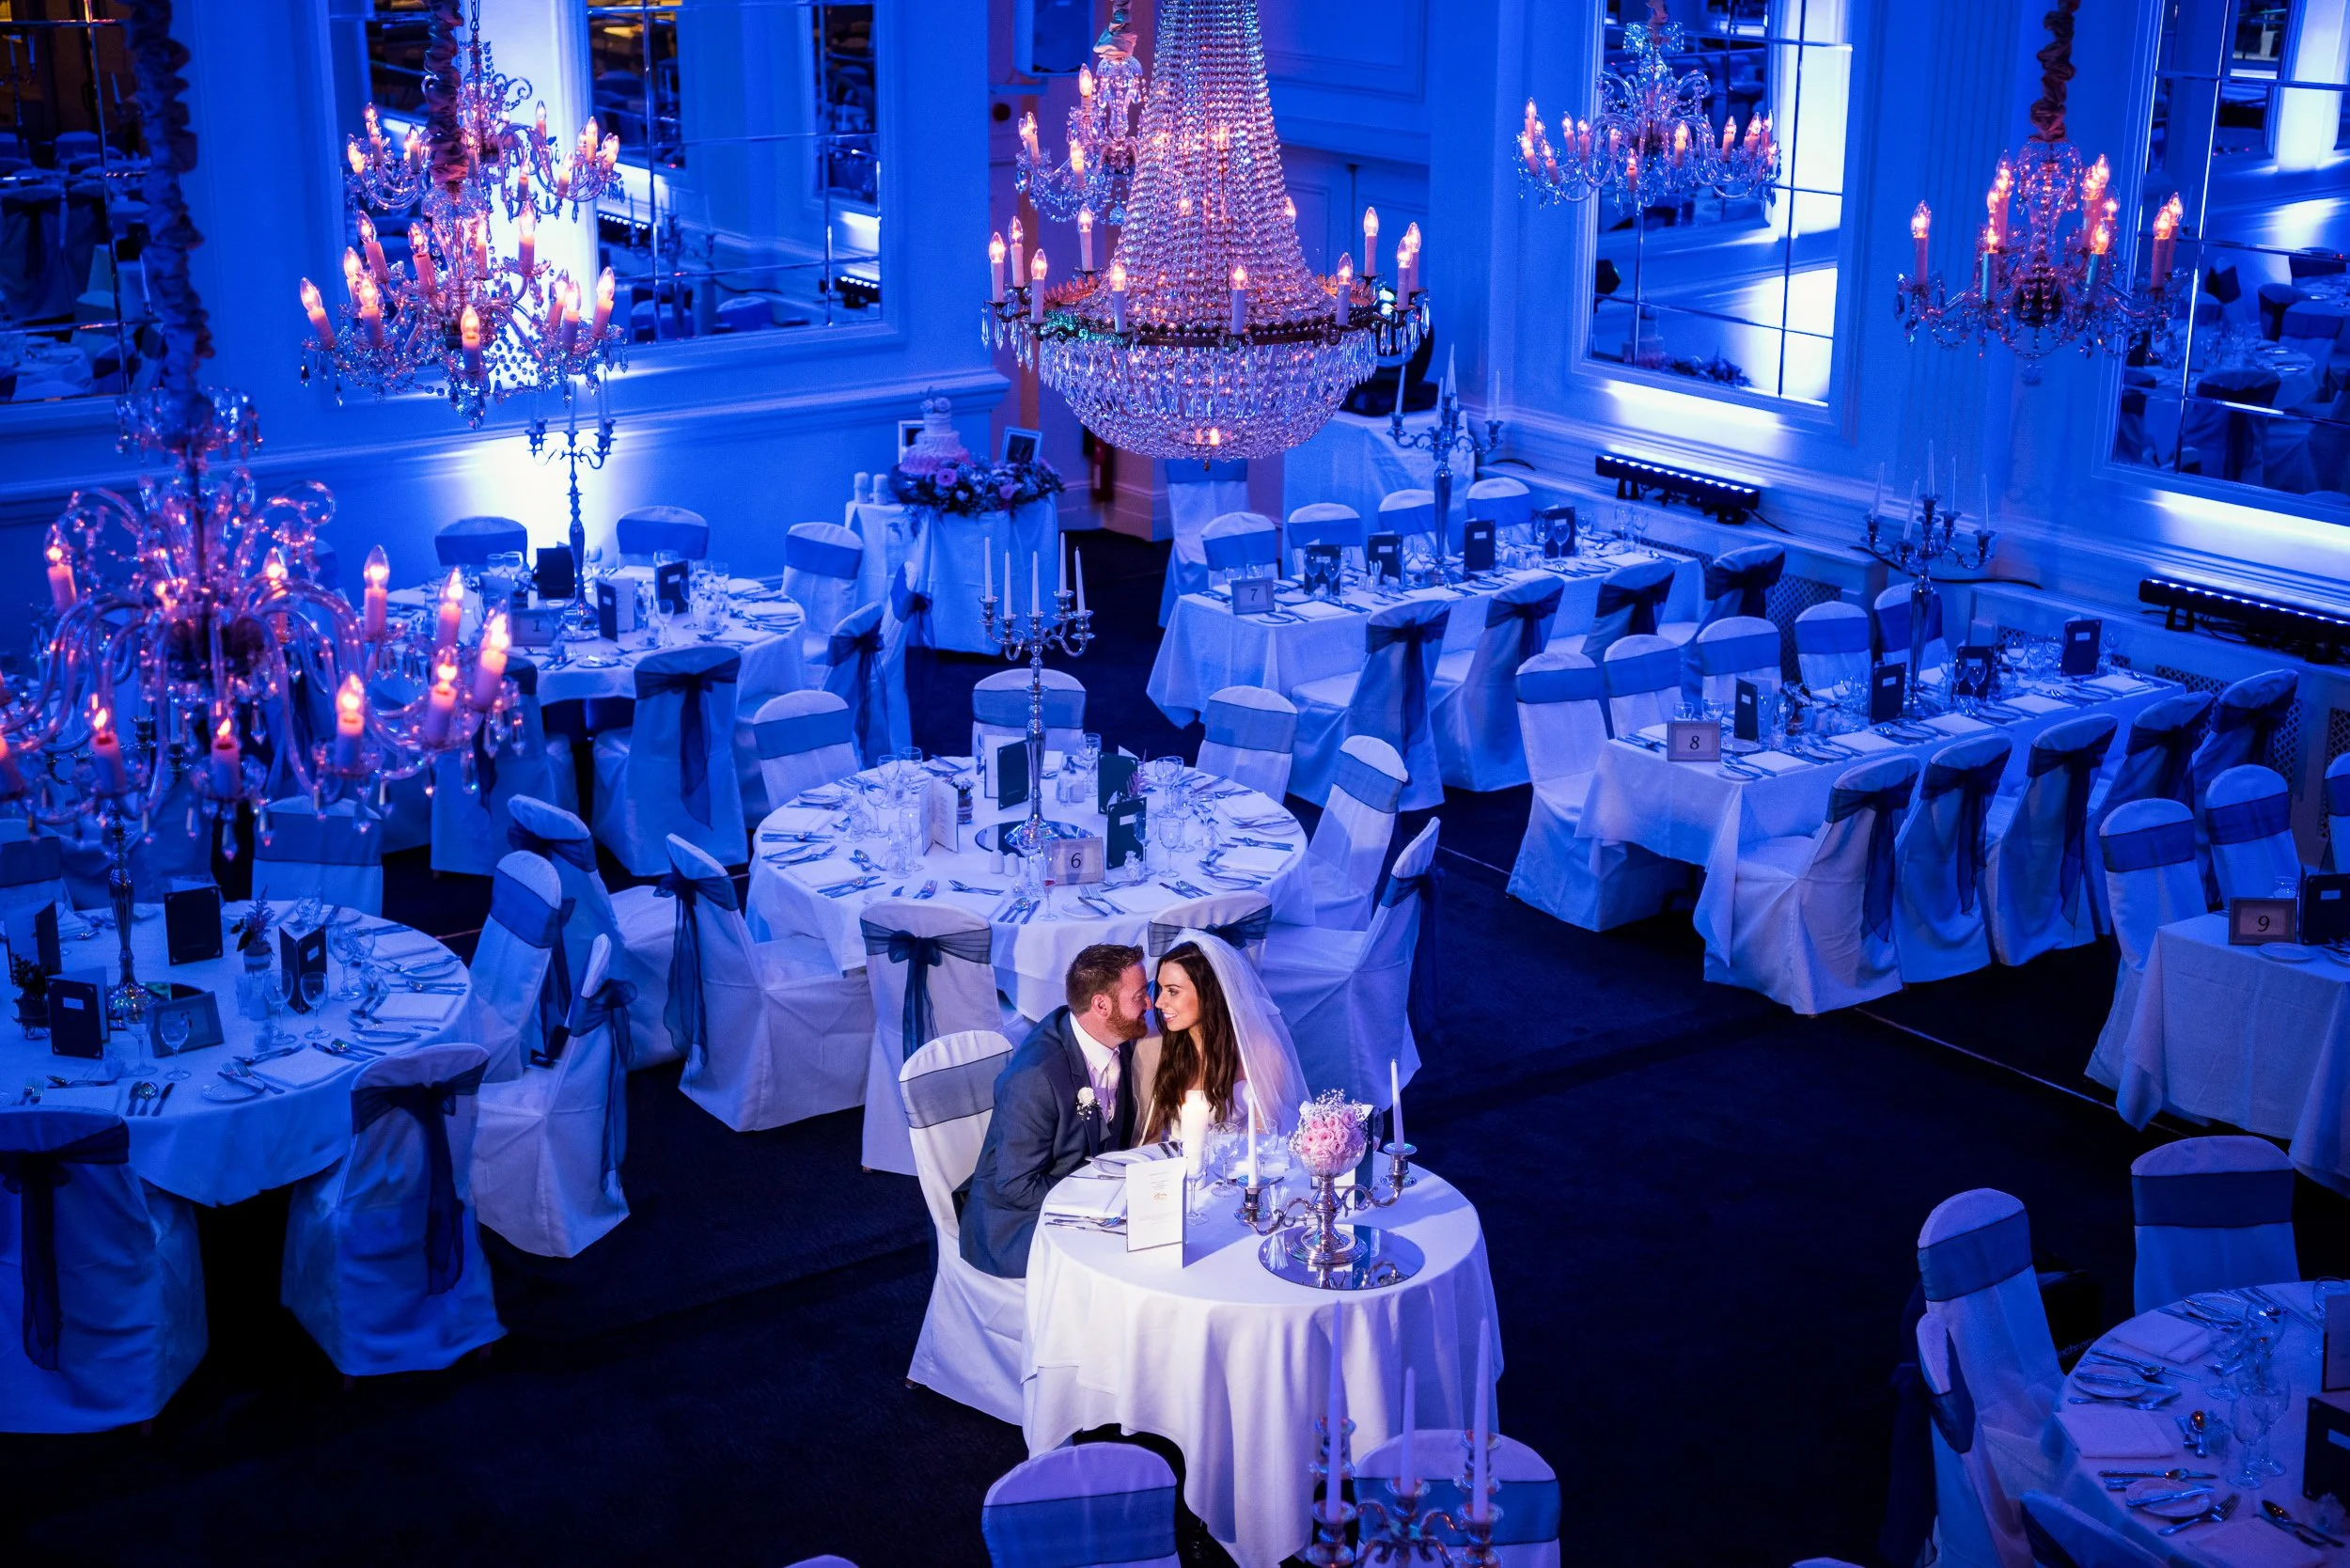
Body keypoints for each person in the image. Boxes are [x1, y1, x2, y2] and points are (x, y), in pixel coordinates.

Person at [959, 943, 1149, 1279]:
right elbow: (1016, 1186)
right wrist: (1101, 1200)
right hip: (1016, 1225)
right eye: (1139, 996)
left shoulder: (1113, 1035)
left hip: (1087, 1198)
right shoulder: (1036, 1078)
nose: (1149, 1003)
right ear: (1101, 1005)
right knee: (1125, 1266)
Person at [1133, 933, 1310, 1145]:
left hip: (1238, 1166)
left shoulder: (1259, 1050)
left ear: (1208, 992)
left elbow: (1265, 1139)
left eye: (1172, 991)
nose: (1159, 1003)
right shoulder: (1155, 1046)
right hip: (1173, 1165)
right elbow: (1148, 1137)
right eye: (1160, 990)